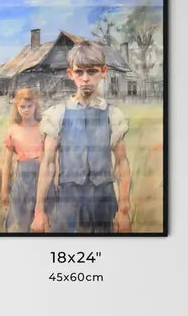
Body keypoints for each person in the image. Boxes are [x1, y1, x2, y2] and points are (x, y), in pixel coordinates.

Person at [31, 43, 131, 234]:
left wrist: (124, 210)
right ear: (71, 74)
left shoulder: (113, 115)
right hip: (69, 200)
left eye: (92, 71)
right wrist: (39, 211)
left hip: (104, 200)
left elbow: (121, 163)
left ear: (103, 72)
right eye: (79, 72)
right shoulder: (57, 114)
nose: (85, 79)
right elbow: (48, 164)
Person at [0, 87, 49, 233]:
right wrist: (4, 189)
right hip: (22, 181)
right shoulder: (13, 130)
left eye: (30, 106)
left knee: (43, 221)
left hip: (42, 178)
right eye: (22, 106)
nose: (26, 110)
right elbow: (7, 163)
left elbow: (51, 158)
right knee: (20, 223)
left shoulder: (43, 128)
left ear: (35, 106)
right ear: (16, 107)